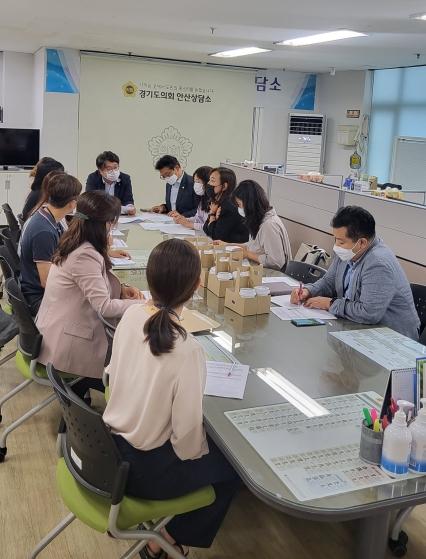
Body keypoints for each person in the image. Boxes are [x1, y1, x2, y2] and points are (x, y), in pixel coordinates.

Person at [103, 238, 240, 558]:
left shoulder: (131, 316)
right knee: (234, 467)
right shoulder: (188, 349)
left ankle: (168, 535)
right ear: (197, 286)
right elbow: (187, 442)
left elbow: (110, 374)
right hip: (144, 471)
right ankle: (167, 538)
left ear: (149, 278)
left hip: (110, 450)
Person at [37, 191, 144, 383]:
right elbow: (105, 307)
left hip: (60, 330)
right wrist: (147, 304)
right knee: (135, 361)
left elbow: (91, 282)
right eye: (112, 222)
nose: (113, 227)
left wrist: (121, 288)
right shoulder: (84, 255)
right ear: (104, 224)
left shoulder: (78, 241)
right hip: (68, 345)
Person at [290, 205, 420, 339]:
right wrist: (308, 291)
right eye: (335, 240)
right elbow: (329, 282)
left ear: (362, 243)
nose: (336, 247)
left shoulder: (378, 264)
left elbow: (368, 313)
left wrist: (330, 304)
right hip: (357, 326)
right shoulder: (349, 252)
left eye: (341, 242)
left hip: (392, 337)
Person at [20, 173, 82, 316]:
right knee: (92, 308)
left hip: (42, 291)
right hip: (39, 298)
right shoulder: (43, 232)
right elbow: (47, 282)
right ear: (72, 203)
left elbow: (67, 244)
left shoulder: (48, 215)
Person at [215, 180, 292, 270]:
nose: (239, 209)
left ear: (250, 204)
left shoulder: (269, 225)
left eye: (239, 205)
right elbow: (253, 246)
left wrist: (247, 254)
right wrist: (227, 245)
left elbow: (276, 262)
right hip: (261, 270)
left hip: (274, 274)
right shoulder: (259, 220)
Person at [203, 167, 249, 243]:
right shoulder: (217, 202)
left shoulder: (230, 206)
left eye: (212, 181)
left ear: (224, 186)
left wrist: (212, 214)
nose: (208, 183)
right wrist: (213, 217)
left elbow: (216, 236)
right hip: (224, 245)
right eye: (209, 180)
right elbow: (205, 228)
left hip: (235, 247)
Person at [86, 151, 136, 215]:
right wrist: (117, 209)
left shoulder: (125, 178)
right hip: (99, 216)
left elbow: (128, 200)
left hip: (120, 217)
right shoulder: (93, 178)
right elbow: (90, 201)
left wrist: (130, 207)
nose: (113, 172)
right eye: (109, 169)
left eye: (115, 167)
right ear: (100, 171)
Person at [173, 166, 212, 230]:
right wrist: (184, 220)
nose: (196, 185)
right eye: (195, 181)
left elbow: (211, 227)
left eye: (198, 182)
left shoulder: (214, 201)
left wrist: (189, 224)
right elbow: (198, 218)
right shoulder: (203, 199)